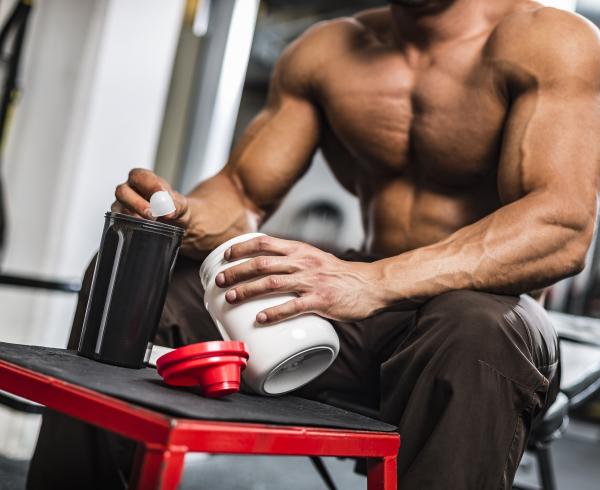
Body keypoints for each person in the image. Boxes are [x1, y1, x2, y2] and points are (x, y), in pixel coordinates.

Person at [28, 0, 600, 488]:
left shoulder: (547, 40)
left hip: (484, 316)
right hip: (353, 312)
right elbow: (242, 191)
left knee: (476, 326)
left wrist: (373, 282)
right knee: (149, 276)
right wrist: (185, 214)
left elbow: (562, 227)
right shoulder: (329, 52)